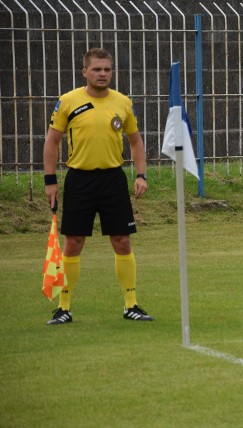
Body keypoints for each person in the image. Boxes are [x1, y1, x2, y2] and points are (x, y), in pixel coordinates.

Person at [43, 48, 154, 324]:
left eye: (107, 69)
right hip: (79, 180)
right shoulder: (68, 101)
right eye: (97, 69)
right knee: (73, 243)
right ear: (85, 72)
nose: (103, 73)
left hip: (112, 180)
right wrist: (50, 181)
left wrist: (141, 175)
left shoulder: (123, 103)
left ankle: (131, 304)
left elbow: (136, 142)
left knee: (122, 241)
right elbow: (52, 141)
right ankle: (64, 308)